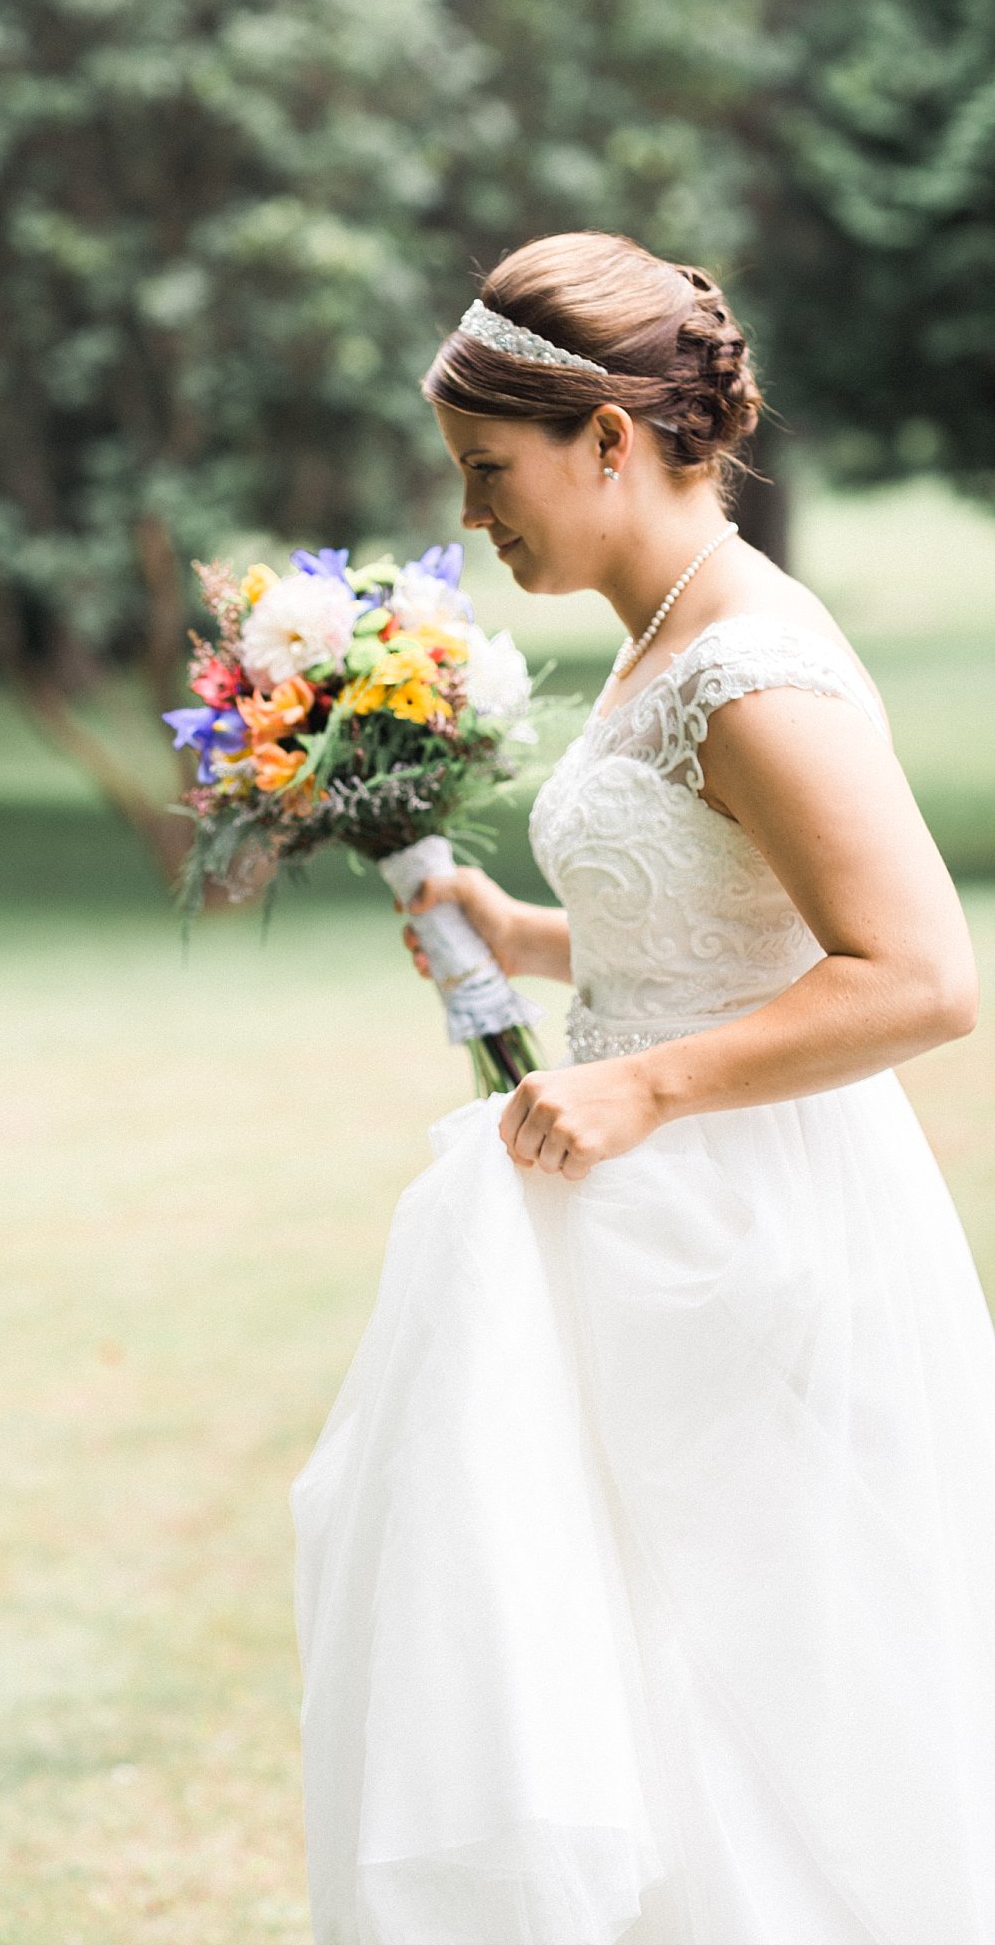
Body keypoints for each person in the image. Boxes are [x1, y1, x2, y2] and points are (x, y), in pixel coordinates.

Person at [287, 231, 995, 1945]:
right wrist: (517, 930)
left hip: (753, 1236)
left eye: (488, 474)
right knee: (638, 1687)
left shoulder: (748, 664)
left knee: (763, 1699)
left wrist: (651, 1091)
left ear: (609, 439)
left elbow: (919, 977)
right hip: (644, 1237)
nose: (471, 519)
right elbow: (710, 917)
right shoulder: (657, 628)